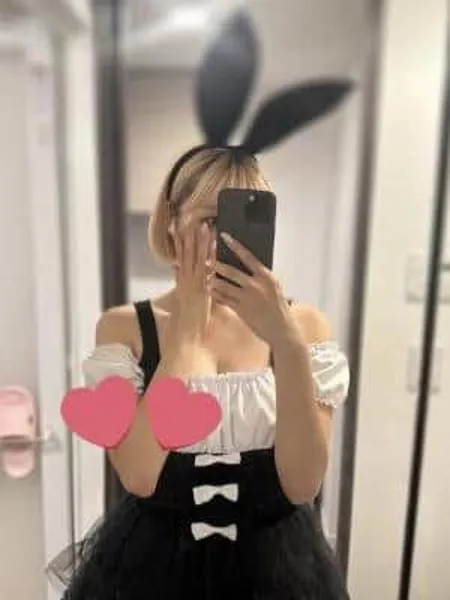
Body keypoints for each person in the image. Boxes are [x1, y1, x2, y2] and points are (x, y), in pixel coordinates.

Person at [51, 146, 351, 599]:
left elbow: (303, 483)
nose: (228, 239)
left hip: (278, 570)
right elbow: (139, 475)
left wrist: (287, 345)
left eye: (244, 221)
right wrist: (185, 337)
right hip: (153, 570)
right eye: (212, 220)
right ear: (172, 222)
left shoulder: (303, 327)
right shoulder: (124, 328)